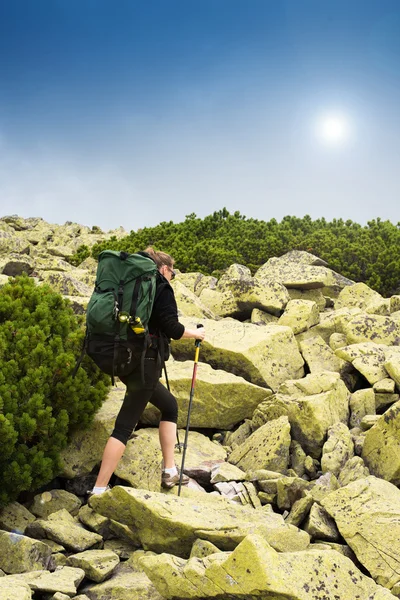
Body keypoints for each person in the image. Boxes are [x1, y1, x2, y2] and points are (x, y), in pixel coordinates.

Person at [89, 247, 205, 495]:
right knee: (124, 427)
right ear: (164, 269)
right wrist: (195, 333)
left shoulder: (135, 288)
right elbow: (173, 328)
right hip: (145, 365)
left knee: (170, 406)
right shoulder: (161, 287)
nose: (172, 277)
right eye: (172, 272)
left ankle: (170, 471)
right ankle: (99, 489)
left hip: (127, 359)